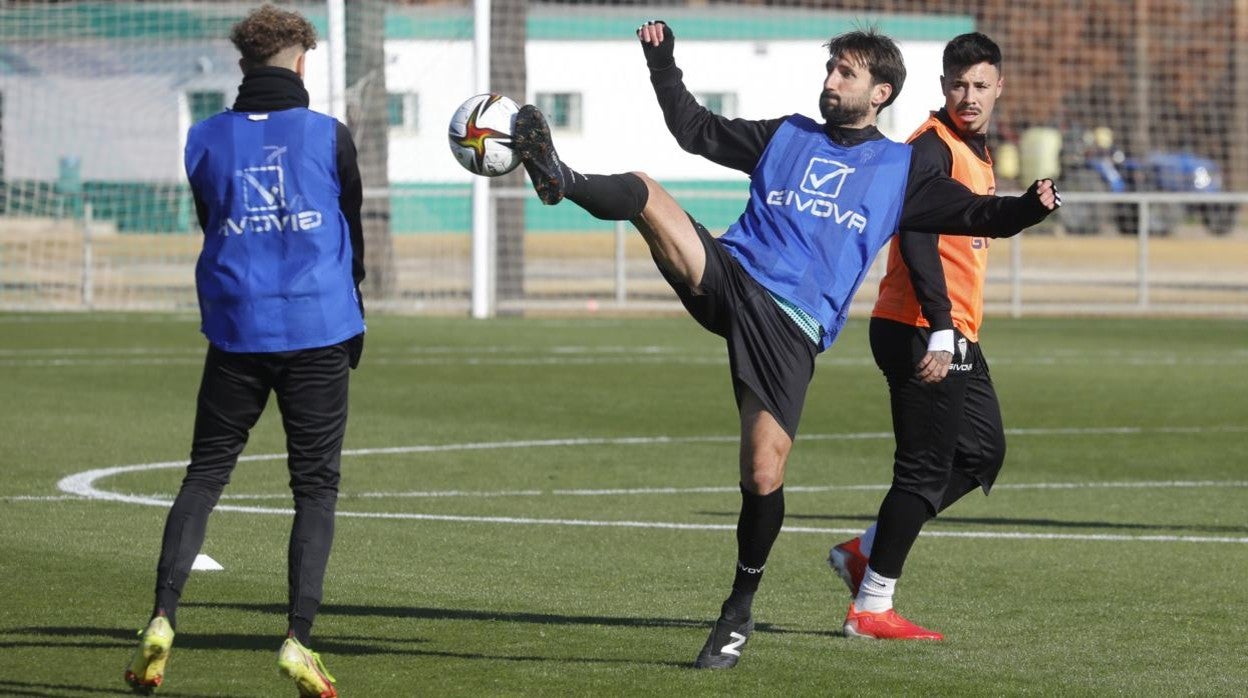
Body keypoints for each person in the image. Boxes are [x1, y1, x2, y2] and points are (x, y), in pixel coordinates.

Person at [507, 22, 1058, 669]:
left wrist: (1028, 206)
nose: (830, 82)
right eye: (830, 71)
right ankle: (561, 178)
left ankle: (738, 609)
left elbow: (977, 215)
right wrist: (663, 63)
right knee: (643, 189)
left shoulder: (900, 169)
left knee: (763, 474)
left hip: (792, 329)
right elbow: (696, 129)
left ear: (880, 92)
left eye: (844, 74)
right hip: (732, 278)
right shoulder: (788, 135)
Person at [124, 5, 363, 696]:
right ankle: (296, 639)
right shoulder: (328, 135)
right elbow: (353, 233)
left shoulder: (204, 138)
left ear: (242, 64)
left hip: (236, 329)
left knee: (205, 473)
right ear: (303, 62)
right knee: (315, 488)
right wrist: (357, 314)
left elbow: (215, 222)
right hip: (318, 327)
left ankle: (163, 618)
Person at [828, 32, 1014, 641]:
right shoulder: (930, 149)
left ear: (997, 88)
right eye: (958, 84)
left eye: (980, 85)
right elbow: (913, 236)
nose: (969, 95)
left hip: (953, 329)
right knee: (923, 472)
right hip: (921, 328)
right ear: (942, 87)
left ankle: (865, 552)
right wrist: (939, 328)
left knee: (981, 454)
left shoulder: (975, 151)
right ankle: (870, 607)